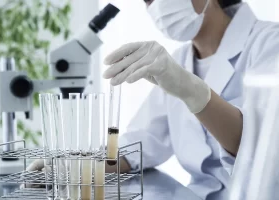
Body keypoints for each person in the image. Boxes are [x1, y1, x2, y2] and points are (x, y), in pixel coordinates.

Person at [28, 0, 279, 199]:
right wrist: (76, 166)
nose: (157, 5)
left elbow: (261, 149)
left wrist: (192, 91)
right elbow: (141, 142)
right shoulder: (177, 62)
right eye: (148, 0)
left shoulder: (270, 43)